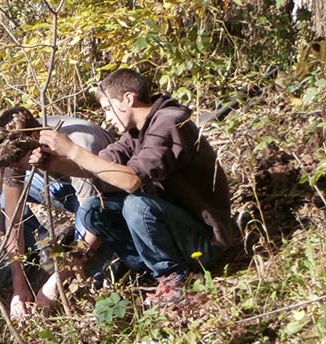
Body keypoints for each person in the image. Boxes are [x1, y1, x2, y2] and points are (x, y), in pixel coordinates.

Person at [34, 68, 237, 305]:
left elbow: (131, 181)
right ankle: (151, 272)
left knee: (136, 205)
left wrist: (72, 149)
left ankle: (172, 279)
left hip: (205, 240)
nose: (107, 117)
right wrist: (53, 162)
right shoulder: (136, 133)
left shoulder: (169, 124)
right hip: (177, 230)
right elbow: (99, 165)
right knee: (92, 210)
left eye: (108, 108)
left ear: (128, 99)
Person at [0, 107, 115, 318]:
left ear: (35, 138)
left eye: (20, 163)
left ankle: (73, 264)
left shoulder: (78, 143)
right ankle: (42, 252)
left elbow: (97, 216)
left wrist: (56, 283)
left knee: (88, 217)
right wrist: (19, 285)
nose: (17, 168)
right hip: (56, 183)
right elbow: (12, 217)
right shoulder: (13, 143)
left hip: (104, 196)